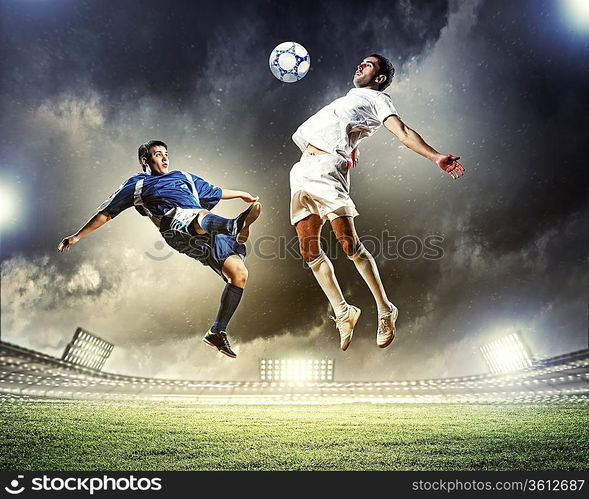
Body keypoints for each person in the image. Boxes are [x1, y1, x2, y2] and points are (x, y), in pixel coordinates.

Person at [290, 54, 465, 351]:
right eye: (360, 62)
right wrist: (354, 143)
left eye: (368, 64)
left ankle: (386, 310)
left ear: (380, 78)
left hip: (327, 171)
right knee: (308, 250)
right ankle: (344, 313)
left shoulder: (378, 100)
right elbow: (350, 126)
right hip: (302, 171)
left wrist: (436, 157)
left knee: (348, 244)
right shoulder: (349, 100)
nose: (360, 65)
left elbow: (404, 132)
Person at [57, 140, 261, 359]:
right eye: (157, 154)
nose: (164, 158)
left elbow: (216, 191)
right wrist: (78, 236)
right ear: (146, 160)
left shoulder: (184, 176)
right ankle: (232, 226)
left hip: (204, 231)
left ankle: (216, 332)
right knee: (196, 215)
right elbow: (107, 213)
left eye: (166, 154)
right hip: (174, 226)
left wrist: (241, 194)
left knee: (239, 274)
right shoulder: (138, 184)